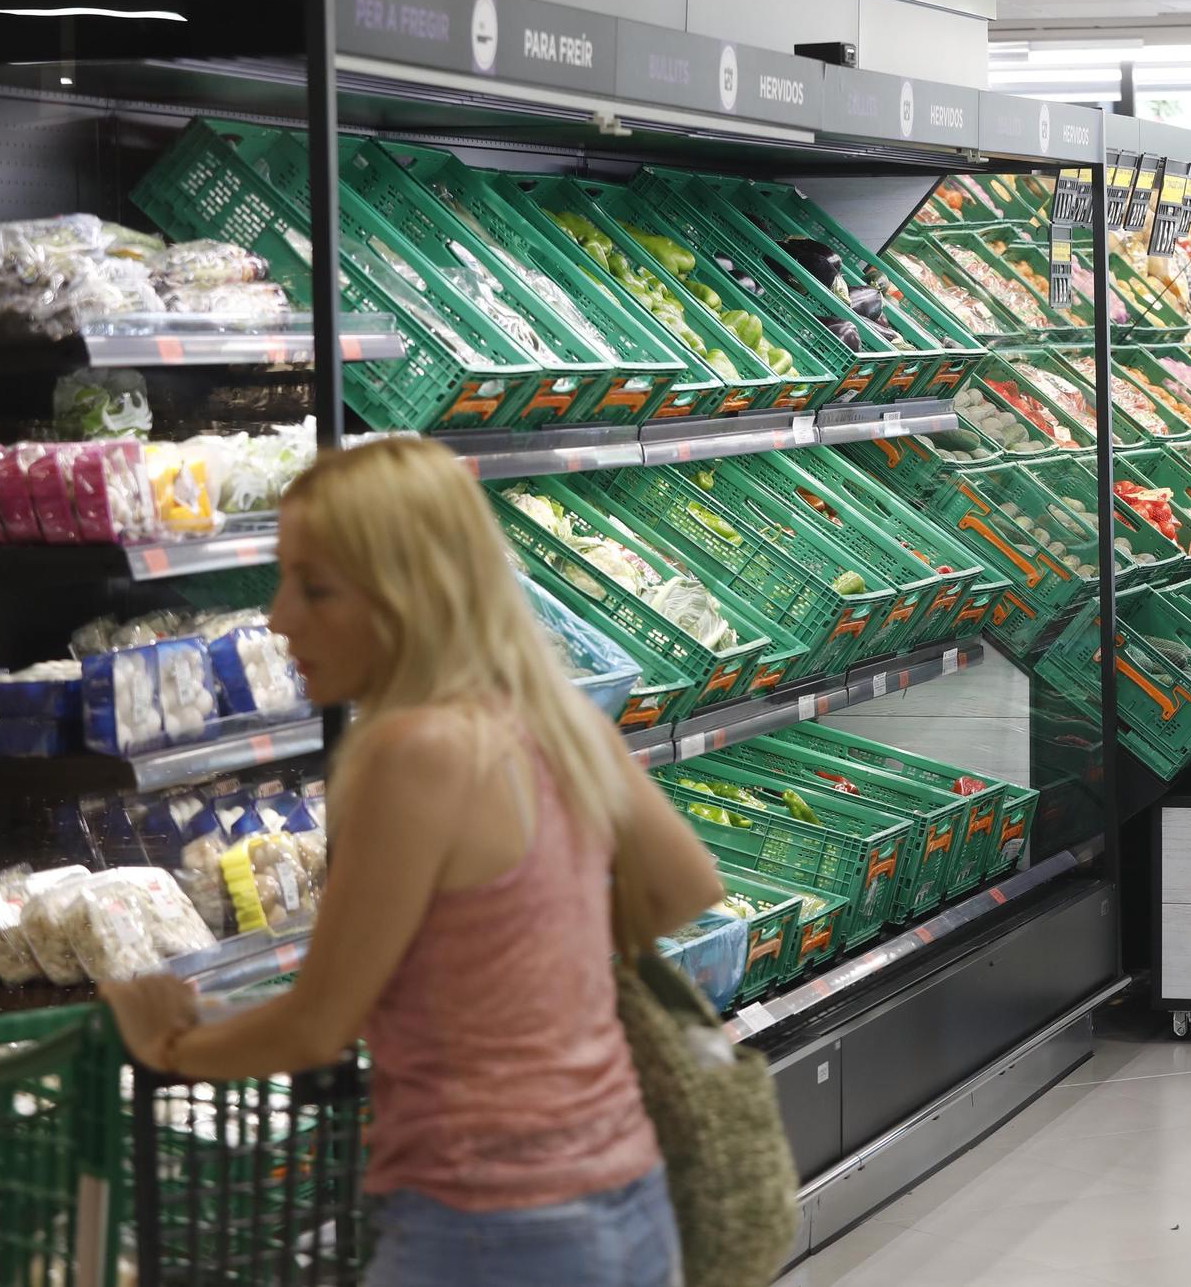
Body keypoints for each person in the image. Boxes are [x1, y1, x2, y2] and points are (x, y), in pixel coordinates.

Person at [100, 439, 725, 1287]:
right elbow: (685, 885)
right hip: (628, 1196)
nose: (280, 616)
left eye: (316, 587)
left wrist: (166, 1044)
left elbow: (318, 1022)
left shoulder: (410, 754)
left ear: (406, 596)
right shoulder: (548, 714)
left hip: (488, 1227)